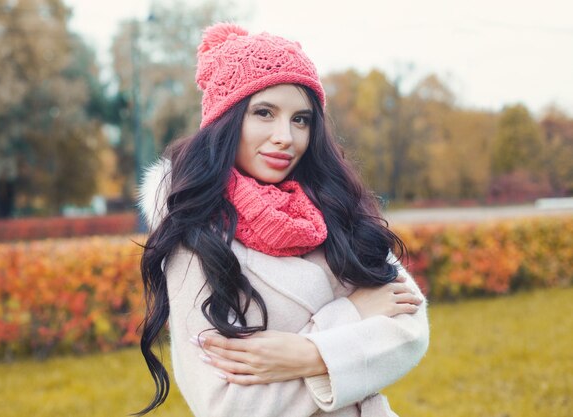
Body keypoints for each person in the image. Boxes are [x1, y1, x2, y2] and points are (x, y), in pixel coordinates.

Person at [137, 22, 429, 417]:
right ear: (225, 120)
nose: (285, 137)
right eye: (264, 113)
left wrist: (304, 355)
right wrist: (349, 320)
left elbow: (409, 326)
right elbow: (228, 406)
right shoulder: (195, 238)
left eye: (301, 119)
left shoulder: (335, 208)